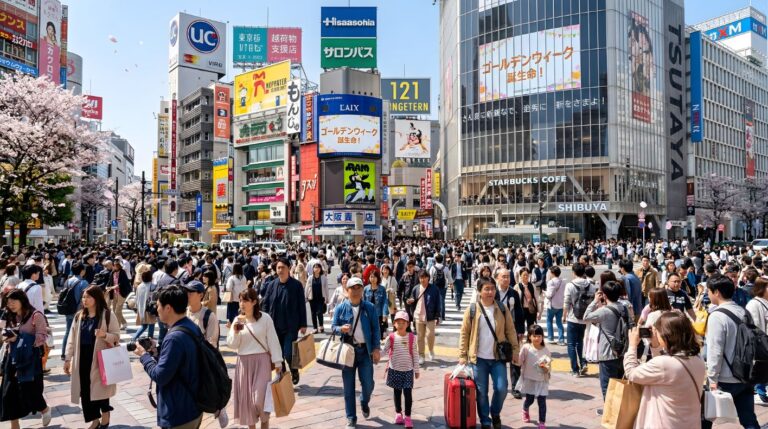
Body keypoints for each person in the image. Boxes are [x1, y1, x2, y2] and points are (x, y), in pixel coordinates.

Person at [133, 285, 203, 429]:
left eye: (158, 305)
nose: (156, 309)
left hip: (178, 412)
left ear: (168, 308)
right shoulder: (191, 327)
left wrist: (144, 356)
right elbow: (179, 362)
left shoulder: (174, 338)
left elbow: (160, 376)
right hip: (193, 406)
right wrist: (157, 352)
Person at [623, 311, 706, 429]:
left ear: (667, 335)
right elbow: (663, 375)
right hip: (690, 423)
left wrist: (632, 346)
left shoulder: (664, 364)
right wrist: (655, 345)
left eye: (658, 332)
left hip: (663, 424)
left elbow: (631, 373)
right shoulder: (698, 359)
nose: (656, 334)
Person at [458, 277, 520, 429]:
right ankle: (485, 420)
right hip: (478, 359)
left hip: (497, 358)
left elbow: (511, 331)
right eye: (486, 289)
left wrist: (515, 350)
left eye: (492, 288)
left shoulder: (502, 308)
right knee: (481, 392)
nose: (490, 292)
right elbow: (464, 333)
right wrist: (462, 355)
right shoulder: (472, 310)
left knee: (502, 388)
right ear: (479, 291)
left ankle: (495, 412)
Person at [704, 275, 760, 429]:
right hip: (745, 374)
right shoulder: (744, 311)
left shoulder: (717, 316)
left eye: (708, 291)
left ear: (716, 292)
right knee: (749, 419)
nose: (707, 294)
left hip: (725, 378)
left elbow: (715, 350)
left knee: (705, 418)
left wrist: (712, 378)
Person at [63, 286, 120, 428]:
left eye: (88, 297)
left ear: (97, 298)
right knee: (85, 390)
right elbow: (72, 338)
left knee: (101, 388)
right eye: (83, 297)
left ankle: (105, 415)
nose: (85, 300)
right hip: (82, 358)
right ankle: (94, 420)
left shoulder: (107, 315)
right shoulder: (79, 316)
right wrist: (68, 358)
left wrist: (104, 335)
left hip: (101, 358)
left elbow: (116, 337)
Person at [226, 288, 283, 429]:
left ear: (254, 302)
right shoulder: (237, 320)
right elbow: (232, 344)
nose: (242, 304)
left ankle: (264, 423)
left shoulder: (265, 318)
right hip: (244, 363)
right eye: (240, 300)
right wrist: (235, 331)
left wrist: (278, 362)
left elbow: (273, 340)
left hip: (262, 362)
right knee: (247, 402)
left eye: (245, 300)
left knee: (259, 399)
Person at [331, 277, 382, 429]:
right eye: (353, 288)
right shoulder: (341, 308)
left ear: (362, 290)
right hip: (348, 351)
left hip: (365, 351)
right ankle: (351, 417)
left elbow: (375, 329)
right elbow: (333, 327)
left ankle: (364, 401)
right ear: (347, 291)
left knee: (368, 384)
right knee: (348, 387)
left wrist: (376, 348)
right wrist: (341, 329)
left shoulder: (369, 307)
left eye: (359, 287)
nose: (356, 290)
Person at [0, 289, 52, 429]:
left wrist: (19, 338)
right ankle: (14, 425)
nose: (10, 305)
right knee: (8, 393)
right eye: (8, 302)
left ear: (22, 300)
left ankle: (44, 409)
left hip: (29, 360)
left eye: (13, 301)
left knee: (30, 391)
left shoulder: (36, 315)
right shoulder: (9, 315)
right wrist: (5, 336)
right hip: (11, 357)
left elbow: (41, 337)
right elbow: (2, 332)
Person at [583, 280, 634, 401]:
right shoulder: (624, 307)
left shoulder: (604, 311)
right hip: (622, 351)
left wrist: (595, 301)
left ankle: (610, 414)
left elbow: (586, 316)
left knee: (607, 387)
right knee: (620, 384)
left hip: (607, 352)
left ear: (604, 295)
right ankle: (619, 412)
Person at [260, 257, 307, 385]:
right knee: (277, 356)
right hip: (274, 326)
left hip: (291, 326)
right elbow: (265, 303)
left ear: (288, 268)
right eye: (278, 268)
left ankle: (294, 370)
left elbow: (301, 305)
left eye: (283, 267)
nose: (280, 270)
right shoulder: (272, 285)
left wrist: (303, 324)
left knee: (287, 352)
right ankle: (284, 377)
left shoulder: (296, 285)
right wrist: (263, 319)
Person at [381, 310, 419, 429]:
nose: (401, 324)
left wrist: (416, 370)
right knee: (397, 393)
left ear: (408, 324)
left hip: (408, 370)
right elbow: (384, 351)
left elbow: (415, 354)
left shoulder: (412, 337)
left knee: (408, 394)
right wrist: (376, 355)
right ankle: (398, 413)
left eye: (403, 322)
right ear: (394, 324)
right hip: (395, 369)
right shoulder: (391, 337)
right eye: (398, 322)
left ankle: (407, 417)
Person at [562, 263, 595, 376]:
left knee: (571, 344)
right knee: (580, 342)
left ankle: (575, 369)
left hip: (573, 317)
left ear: (574, 272)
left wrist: (564, 315)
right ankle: (583, 363)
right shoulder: (591, 285)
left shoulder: (570, 285)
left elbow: (566, 302)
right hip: (585, 318)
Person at [516, 325, 551, 429]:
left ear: (542, 337)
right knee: (530, 400)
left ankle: (542, 422)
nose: (537, 338)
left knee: (542, 402)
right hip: (529, 378)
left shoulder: (546, 350)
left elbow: (548, 366)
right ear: (530, 337)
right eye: (534, 336)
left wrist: (546, 370)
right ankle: (525, 409)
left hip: (542, 380)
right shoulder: (526, 348)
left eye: (539, 336)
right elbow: (519, 361)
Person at [409, 270, 441, 364]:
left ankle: (431, 350)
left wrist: (437, 316)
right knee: (420, 337)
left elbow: (438, 303)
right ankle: (421, 355)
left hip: (430, 316)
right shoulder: (416, 288)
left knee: (430, 335)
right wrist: (410, 300)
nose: (422, 279)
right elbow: (412, 298)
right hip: (418, 315)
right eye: (420, 278)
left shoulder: (434, 289)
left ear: (428, 278)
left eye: (424, 277)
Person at [60, 263, 90, 359]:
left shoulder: (68, 281)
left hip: (68, 309)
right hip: (79, 310)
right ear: (82, 271)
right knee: (80, 332)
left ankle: (64, 353)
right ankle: (78, 353)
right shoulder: (83, 282)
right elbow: (86, 298)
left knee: (68, 331)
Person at [746, 277, 768, 403]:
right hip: (762, 345)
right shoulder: (754, 304)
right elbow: (755, 327)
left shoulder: (765, 302)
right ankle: (759, 392)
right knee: (761, 369)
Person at [184, 280, 219, 347]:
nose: (187, 296)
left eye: (190, 293)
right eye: (186, 292)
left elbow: (211, 344)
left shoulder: (209, 316)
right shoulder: (182, 313)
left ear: (201, 295)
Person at [106, 260, 131, 330]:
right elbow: (109, 282)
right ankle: (124, 323)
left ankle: (118, 326)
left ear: (118, 266)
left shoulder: (123, 272)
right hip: (114, 293)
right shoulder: (112, 272)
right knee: (114, 310)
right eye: (113, 265)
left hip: (121, 293)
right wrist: (107, 287)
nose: (113, 266)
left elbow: (123, 283)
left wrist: (115, 287)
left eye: (114, 265)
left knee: (118, 311)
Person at [364, 270, 389, 340]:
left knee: (378, 333)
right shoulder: (366, 289)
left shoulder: (382, 289)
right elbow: (363, 302)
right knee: (368, 333)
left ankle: (377, 348)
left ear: (378, 278)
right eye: (371, 277)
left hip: (379, 315)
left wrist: (384, 314)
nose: (373, 279)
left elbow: (385, 302)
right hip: (368, 315)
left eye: (375, 277)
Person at [304, 262, 328, 333]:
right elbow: (307, 287)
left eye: (318, 267)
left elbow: (326, 288)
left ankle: (321, 326)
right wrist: (306, 296)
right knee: (313, 313)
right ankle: (315, 328)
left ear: (320, 269)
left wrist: (327, 298)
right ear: (313, 269)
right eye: (315, 268)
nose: (316, 269)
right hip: (312, 298)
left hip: (321, 297)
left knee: (320, 312)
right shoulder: (310, 277)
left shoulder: (323, 277)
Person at [544, 266, 565, 345]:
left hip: (552, 304)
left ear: (552, 273)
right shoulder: (563, 282)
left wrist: (544, 293)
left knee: (549, 320)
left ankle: (550, 337)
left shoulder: (551, 282)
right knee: (559, 322)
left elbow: (549, 295)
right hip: (560, 304)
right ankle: (561, 339)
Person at [133, 270, 156, 341]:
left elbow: (136, 298)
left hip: (141, 308)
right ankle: (150, 338)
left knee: (144, 326)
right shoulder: (152, 286)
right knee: (151, 324)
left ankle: (134, 338)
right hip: (149, 308)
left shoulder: (139, 286)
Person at [428, 253, 453, 320]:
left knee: (434, 300)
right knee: (442, 300)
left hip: (434, 286)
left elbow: (430, 278)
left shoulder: (433, 268)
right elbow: (449, 277)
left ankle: (436, 315)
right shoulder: (446, 268)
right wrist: (451, 284)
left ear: (436, 260)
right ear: (442, 260)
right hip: (443, 286)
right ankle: (442, 315)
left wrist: (429, 285)